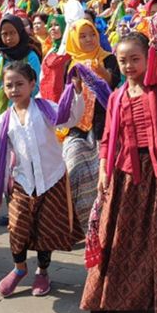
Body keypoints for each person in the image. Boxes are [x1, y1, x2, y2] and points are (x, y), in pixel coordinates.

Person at [80, 32, 157, 313]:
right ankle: (108, 297)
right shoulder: (117, 96)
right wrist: (104, 169)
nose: (129, 66)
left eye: (135, 59)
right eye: (123, 60)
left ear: (148, 59)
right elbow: (108, 138)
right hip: (124, 174)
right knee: (117, 238)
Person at [0, 62, 85, 297]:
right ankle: (19, 269)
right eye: (9, 85)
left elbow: (69, 119)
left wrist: (74, 93)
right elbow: (0, 157)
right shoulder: (4, 120)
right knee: (17, 226)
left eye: (19, 84)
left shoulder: (45, 108)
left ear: (32, 84)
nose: (14, 90)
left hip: (52, 179)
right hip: (23, 182)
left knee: (47, 229)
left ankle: (42, 272)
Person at [62, 19, 120, 229]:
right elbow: (67, 96)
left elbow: (114, 82)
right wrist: (76, 86)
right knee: (73, 169)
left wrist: (100, 72)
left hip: (103, 124)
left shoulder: (108, 58)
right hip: (78, 126)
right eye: (83, 36)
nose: (88, 39)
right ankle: (78, 223)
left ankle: (102, 222)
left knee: (101, 175)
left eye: (92, 34)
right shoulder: (70, 64)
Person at [0, 14, 42, 149]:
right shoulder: (0, 58)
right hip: (2, 109)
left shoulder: (31, 55)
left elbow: (36, 84)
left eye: (12, 33)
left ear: (20, 32)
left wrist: (19, 101)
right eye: (4, 34)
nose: (9, 38)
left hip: (25, 108)